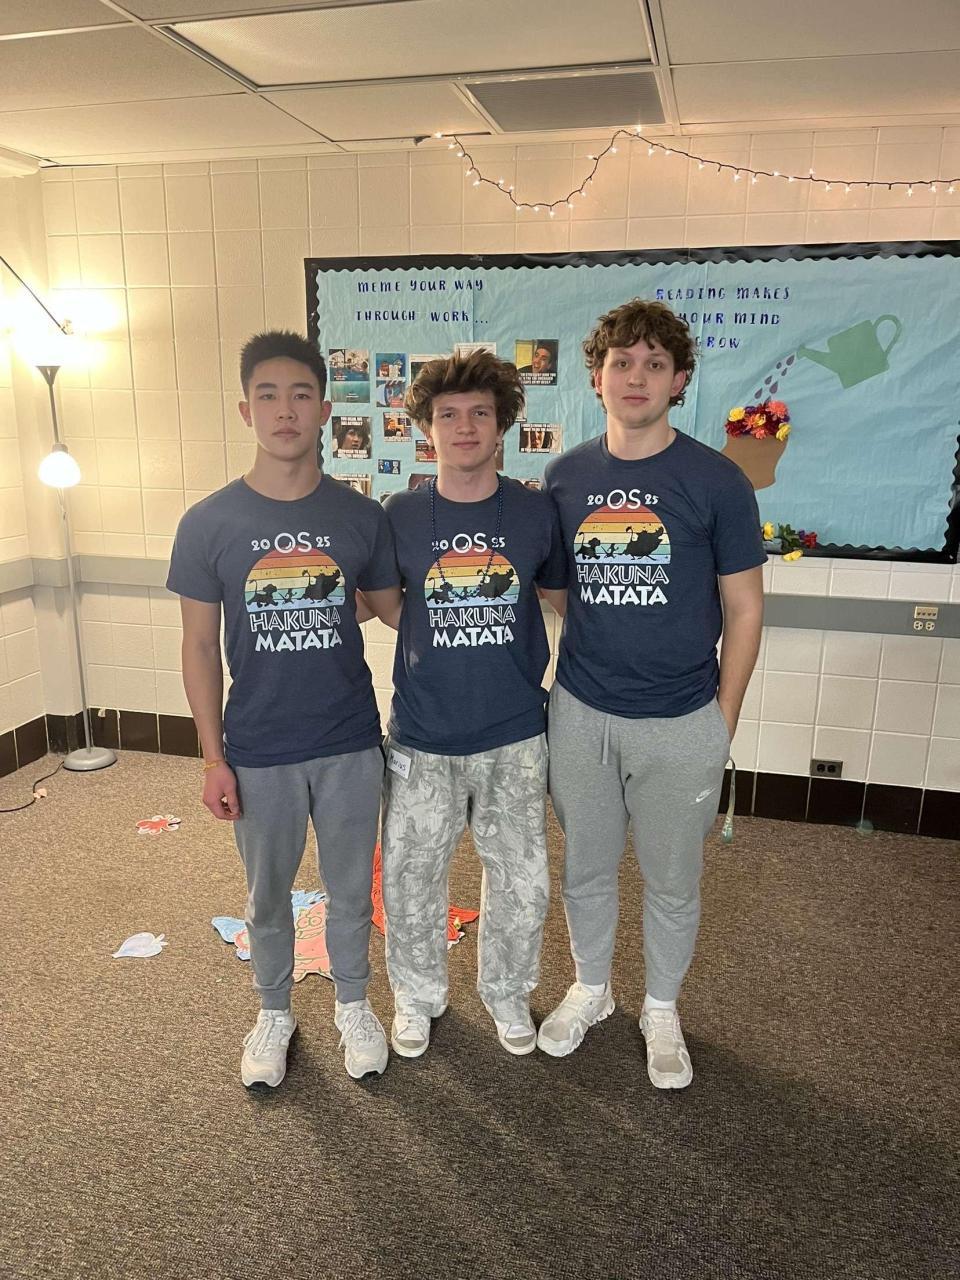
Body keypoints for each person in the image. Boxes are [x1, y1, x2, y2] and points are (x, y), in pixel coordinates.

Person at [540, 298, 765, 1088]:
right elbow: (560, 591)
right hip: (581, 712)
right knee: (586, 869)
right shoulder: (565, 477)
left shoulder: (717, 481)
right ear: (596, 377)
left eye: (654, 364)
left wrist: (722, 720)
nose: (636, 377)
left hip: (682, 720)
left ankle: (660, 1008)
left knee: (672, 881)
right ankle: (592, 989)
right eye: (621, 363)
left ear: (679, 380)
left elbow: (745, 608)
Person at [167, 330, 400, 1089]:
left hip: (348, 741)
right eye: (267, 396)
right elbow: (199, 646)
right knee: (267, 897)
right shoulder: (209, 523)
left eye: (301, 395)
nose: (285, 410)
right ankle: (273, 1011)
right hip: (258, 746)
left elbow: (388, 607)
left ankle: (354, 1004)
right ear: (246, 410)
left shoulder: (360, 517)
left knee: (352, 891)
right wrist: (212, 757)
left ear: (326, 410)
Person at [375, 351, 567, 1059]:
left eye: (479, 413)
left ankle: (508, 992)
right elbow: (389, 604)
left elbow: (559, 599)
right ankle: (417, 997)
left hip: (513, 733)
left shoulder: (534, 511)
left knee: (521, 880)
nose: (464, 427)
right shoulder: (399, 514)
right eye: (448, 414)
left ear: (502, 424)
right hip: (423, 736)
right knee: (410, 878)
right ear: (426, 427)